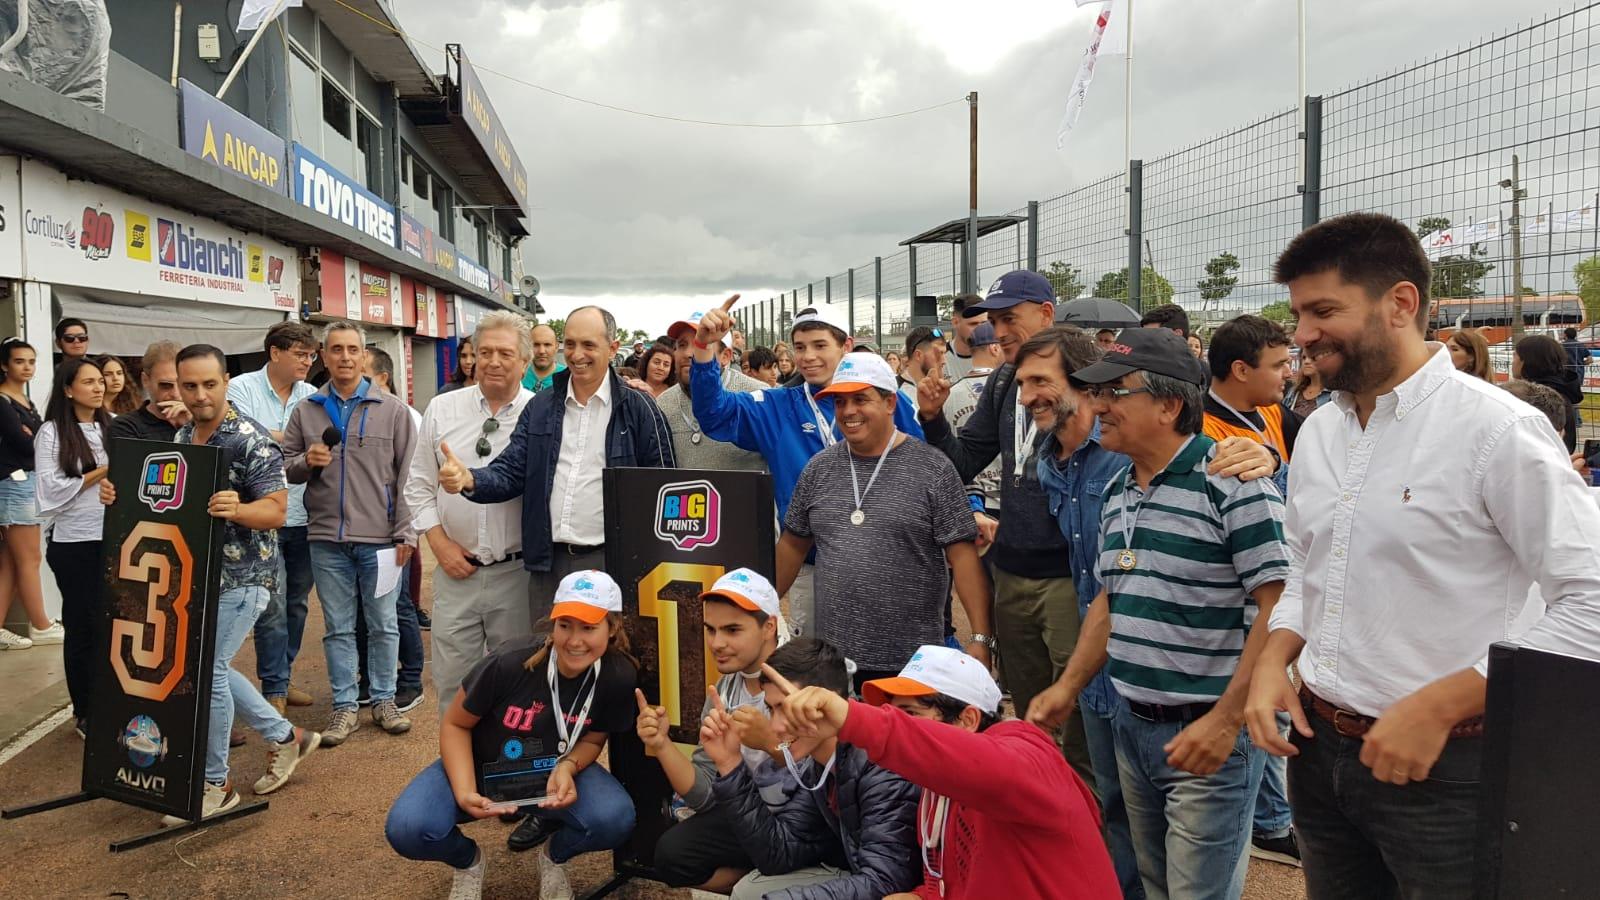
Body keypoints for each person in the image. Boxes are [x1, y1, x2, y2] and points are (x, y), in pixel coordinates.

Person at [1247, 211, 1600, 900]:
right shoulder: (1321, 431)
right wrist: (1272, 660)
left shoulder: (1496, 430)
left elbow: (1589, 600)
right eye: (1298, 314)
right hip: (1319, 753)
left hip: (1449, 768)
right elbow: (1308, 568)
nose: (1303, 334)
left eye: (1323, 310)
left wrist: (1440, 705)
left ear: (1400, 304)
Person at [1029, 327, 1290, 900]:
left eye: (1114, 393)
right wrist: (1069, 687)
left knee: (1195, 893)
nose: (1097, 406)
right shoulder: (1121, 486)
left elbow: (1281, 608)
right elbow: (1109, 598)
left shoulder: (1232, 485)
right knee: (1155, 886)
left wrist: (1225, 723)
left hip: (1205, 732)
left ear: (1169, 405)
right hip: (1133, 725)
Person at [101, 345, 321, 821]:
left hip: (243, 580)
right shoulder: (183, 434)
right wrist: (118, 493)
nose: (199, 395)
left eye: (209, 384)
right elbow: (165, 498)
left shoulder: (249, 439)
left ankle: (215, 785)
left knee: (208, 674)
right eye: (189, 385)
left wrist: (236, 509)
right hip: (195, 577)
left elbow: (278, 511)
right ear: (178, 386)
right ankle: (289, 737)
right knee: (209, 669)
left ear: (226, 382)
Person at [775, 644, 1120, 900]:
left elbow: (976, 765)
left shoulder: (1025, 758)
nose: (903, 726)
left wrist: (853, 717)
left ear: (968, 719)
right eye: (894, 713)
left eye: (911, 713)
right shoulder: (936, 789)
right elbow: (947, 878)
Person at [385, 570, 639, 900]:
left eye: (589, 627)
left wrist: (569, 766)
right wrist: (464, 791)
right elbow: (455, 724)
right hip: (483, 769)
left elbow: (593, 739)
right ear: (553, 623)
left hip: (551, 775)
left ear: (612, 628)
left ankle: (554, 857)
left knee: (615, 818)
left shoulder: (618, 675)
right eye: (565, 625)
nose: (574, 641)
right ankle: (468, 862)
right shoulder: (509, 662)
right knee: (408, 828)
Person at [689, 298, 924, 638]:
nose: (808, 356)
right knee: (817, 672)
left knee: (885, 664)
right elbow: (713, 414)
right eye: (800, 347)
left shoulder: (886, 399)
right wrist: (704, 349)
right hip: (811, 566)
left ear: (846, 345)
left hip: (886, 563)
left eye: (819, 345)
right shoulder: (778, 405)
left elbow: (920, 466)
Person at [438, 306, 674, 626]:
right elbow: (511, 470)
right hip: (547, 565)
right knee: (545, 656)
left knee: (610, 661)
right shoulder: (541, 406)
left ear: (613, 348)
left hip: (612, 564)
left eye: (589, 345)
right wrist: (470, 479)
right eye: (571, 344)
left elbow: (665, 488)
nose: (577, 355)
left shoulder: (640, 408)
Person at [778, 353, 991, 687]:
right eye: (840, 401)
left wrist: (980, 636)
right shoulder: (818, 469)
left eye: (861, 399)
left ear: (890, 402)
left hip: (914, 663)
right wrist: (761, 609)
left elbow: (963, 559)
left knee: (903, 740)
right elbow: (792, 545)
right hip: (836, 663)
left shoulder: (932, 468)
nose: (848, 412)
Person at [701, 639, 921, 899]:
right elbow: (778, 853)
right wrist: (730, 764)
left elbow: (888, 881)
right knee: (747, 890)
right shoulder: (819, 762)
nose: (776, 726)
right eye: (772, 709)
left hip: (904, 888)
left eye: (789, 708)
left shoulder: (881, 767)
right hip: (856, 871)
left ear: (829, 704)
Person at [284, 320, 418, 745]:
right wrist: (307, 460)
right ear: (324, 356)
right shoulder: (306, 410)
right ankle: (344, 707)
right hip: (325, 539)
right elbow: (284, 466)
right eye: (336, 350)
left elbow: (409, 477)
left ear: (364, 356)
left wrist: (405, 534)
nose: (344, 357)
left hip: (380, 539)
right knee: (338, 627)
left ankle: (383, 700)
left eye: (352, 350)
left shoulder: (392, 409)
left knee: (383, 624)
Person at [404, 311, 535, 722]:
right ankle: (455, 775)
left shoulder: (541, 414)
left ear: (525, 362)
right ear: (472, 357)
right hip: (455, 574)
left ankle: (510, 770)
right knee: (452, 684)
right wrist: (440, 546)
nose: (494, 361)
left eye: (505, 353)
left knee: (517, 684)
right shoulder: (442, 409)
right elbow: (417, 486)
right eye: (485, 352)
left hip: (517, 575)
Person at [644, 568, 793, 892]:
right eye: (710, 629)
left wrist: (771, 743)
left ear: (769, 626)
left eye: (732, 630)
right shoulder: (724, 690)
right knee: (670, 855)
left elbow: (834, 774)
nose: (717, 643)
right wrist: (662, 745)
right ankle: (761, 884)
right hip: (751, 815)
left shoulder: (806, 674)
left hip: (804, 822)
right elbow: (705, 797)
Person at [227, 321, 319, 713]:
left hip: (306, 513)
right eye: (301, 354)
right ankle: (274, 690)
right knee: (272, 604)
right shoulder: (240, 388)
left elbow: (305, 443)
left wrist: (278, 437)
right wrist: (292, 439)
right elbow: (243, 438)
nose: (307, 361)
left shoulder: (312, 395)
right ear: (275, 352)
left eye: (311, 355)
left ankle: (283, 673)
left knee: (297, 603)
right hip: (262, 516)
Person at [35, 358, 110, 736]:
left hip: (113, 537)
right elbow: (50, 493)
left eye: (101, 381)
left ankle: (111, 701)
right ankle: (84, 710)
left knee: (112, 623)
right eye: (89, 382)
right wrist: (103, 472)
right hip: (74, 542)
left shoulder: (110, 426)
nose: (98, 388)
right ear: (68, 389)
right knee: (82, 625)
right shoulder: (52, 433)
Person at [361, 344, 426, 712]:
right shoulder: (351, 412)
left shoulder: (406, 417)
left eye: (364, 372)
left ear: (382, 377)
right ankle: (372, 680)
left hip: (394, 532)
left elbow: (411, 482)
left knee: (399, 606)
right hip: (360, 533)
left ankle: (411, 679)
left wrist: (407, 531)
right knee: (366, 610)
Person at [0, 340, 61, 650]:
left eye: (31, 361)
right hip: (14, 484)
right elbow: (27, 444)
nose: (27, 367)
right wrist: (35, 436)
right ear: (4, 365)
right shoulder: (3, 402)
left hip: (26, 482)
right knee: (29, 557)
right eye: (19, 361)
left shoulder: (23, 400)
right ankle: (41, 625)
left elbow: (40, 438)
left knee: (12, 561)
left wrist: (35, 435)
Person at [1204, 314, 1303, 496]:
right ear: (1241, 370)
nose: (1289, 374)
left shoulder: (1272, 410)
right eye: (1278, 366)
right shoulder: (1203, 432)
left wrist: (1275, 463)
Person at [657, 312, 768, 472]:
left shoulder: (757, 395)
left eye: (700, 344)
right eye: (681, 345)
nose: (688, 353)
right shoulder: (663, 403)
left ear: (726, 356)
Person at [109, 341, 191, 443]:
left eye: (183, 385)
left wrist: (192, 426)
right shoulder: (126, 426)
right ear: (145, 381)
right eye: (165, 385)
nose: (176, 394)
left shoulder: (201, 424)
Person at [1513, 333, 1582, 452]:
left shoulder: (1537, 399)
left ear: (1526, 361)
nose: (1512, 362)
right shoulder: (1561, 392)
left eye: (1515, 356)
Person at [896, 326, 948, 404]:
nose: (944, 361)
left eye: (944, 353)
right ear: (918, 355)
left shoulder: (941, 392)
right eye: (939, 353)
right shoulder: (894, 392)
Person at [943, 293, 988, 380]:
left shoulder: (998, 355)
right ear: (955, 322)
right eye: (973, 324)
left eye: (984, 323)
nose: (980, 329)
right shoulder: (941, 359)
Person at [1284, 353, 1334, 417]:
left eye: (1313, 357)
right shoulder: (1295, 391)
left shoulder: (1335, 395)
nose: (1306, 362)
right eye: (1304, 358)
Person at [522, 323, 565, 394]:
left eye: (547, 345)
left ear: (556, 347)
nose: (541, 351)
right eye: (536, 345)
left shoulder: (567, 377)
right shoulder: (518, 375)